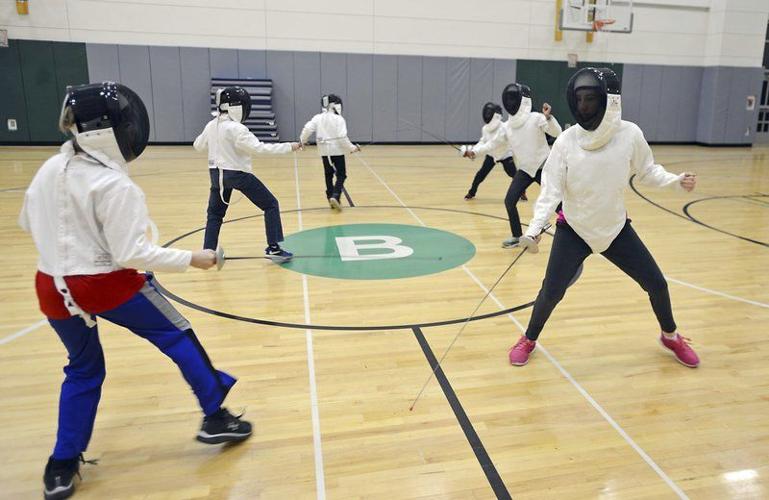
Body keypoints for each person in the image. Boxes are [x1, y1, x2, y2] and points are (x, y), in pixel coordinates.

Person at [19, 82, 252, 500]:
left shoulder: (49, 168)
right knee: (177, 334)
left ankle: (61, 465)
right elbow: (131, 255)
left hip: (50, 285)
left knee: (84, 368)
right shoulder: (115, 186)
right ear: (110, 131)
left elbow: (27, 223)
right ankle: (216, 417)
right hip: (103, 283)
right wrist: (192, 259)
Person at [508, 67, 700, 368]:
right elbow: (550, 190)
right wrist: (533, 231)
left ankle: (670, 336)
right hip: (574, 229)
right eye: (579, 99)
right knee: (551, 291)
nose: (584, 106)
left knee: (657, 284)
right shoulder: (567, 141)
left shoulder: (630, 134)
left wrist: (675, 181)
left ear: (608, 101)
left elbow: (647, 171)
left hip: (614, 229)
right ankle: (528, 338)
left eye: (591, 99)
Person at [194, 86, 300, 262]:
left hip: (216, 176)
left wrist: (215, 139)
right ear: (236, 107)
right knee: (271, 204)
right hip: (238, 175)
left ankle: (208, 252)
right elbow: (260, 148)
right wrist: (290, 146)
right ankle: (273, 248)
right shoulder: (236, 129)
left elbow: (198, 145)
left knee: (215, 215)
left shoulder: (212, 125)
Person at [466, 83, 562, 248]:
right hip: (525, 170)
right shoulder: (507, 127)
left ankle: (575, 230)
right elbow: (492, 144)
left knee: (557, 204)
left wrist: (548, 118)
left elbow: (557, 132)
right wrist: (475, 152)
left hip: (543, 167)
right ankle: (517, 236)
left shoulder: (536, 118)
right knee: (510, 201)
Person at [299, 94, 360, 211]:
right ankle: (336, 196)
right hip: (337, 151)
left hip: (323, 151)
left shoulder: (317, 117)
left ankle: (330, 197)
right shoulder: (339, 119)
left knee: (328, 174)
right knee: (341, 175)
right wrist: (352, 148)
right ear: (335, 106)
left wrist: (302, 141)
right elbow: (342, 137)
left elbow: (307, 129)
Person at [461, 102, 527, 202]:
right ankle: (471, 192)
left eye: (489, 113)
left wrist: (474, 153)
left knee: (514, 175)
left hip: (505, 154)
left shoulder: (503, 128)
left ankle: (522, 191)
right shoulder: (485, 129)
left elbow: (490, 145)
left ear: (495, 115)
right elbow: (483, 142)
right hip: (491, 155)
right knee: (480, 175)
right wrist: (472, 151)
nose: (487, 115)